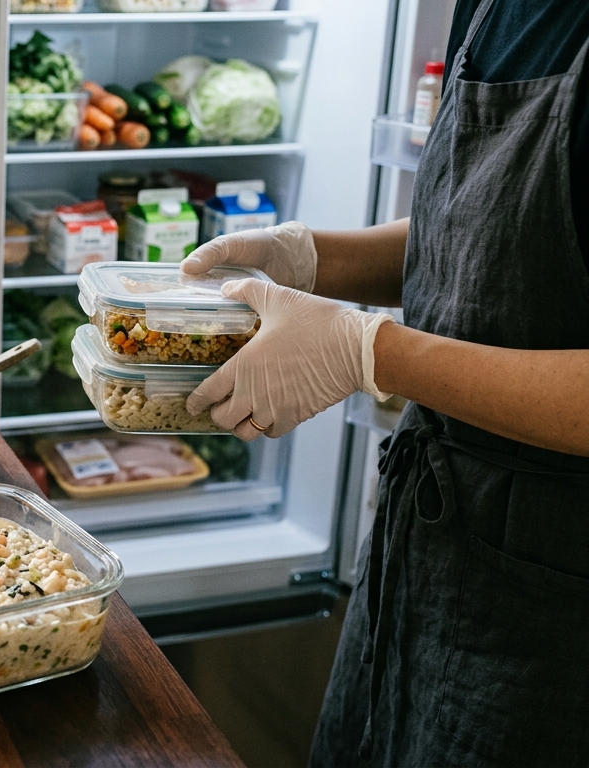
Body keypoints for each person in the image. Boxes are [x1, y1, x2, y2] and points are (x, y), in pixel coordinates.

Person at [181, 0, 589, 764]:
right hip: (431, 538)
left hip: (559, 595)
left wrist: (366, 351)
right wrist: (307, 256)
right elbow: (489, 233)